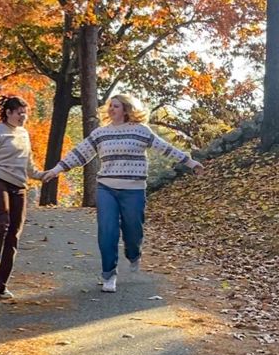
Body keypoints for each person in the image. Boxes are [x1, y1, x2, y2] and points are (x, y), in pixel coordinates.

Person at [42, 93, 203, 293]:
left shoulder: (140, 131)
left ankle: (134, 253)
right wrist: (56, 170)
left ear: (126, 109)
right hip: (106, 188)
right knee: (107, 231)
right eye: (110, 106)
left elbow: (165, 148)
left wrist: (190, 162)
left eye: (116, 106)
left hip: (133, 190)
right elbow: (79, 153)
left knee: (133, 230)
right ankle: (109, 274)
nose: (111, 109)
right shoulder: (101, 133)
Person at [0, 95, 45, 299]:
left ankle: (0, 284)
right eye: (19, 113)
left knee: (14, 234)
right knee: (0, 222)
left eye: (25, 113)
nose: (23, 116)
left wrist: (40, 175)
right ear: (8, 113)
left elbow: (28, 164)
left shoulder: (24, 134)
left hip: (19, 186)